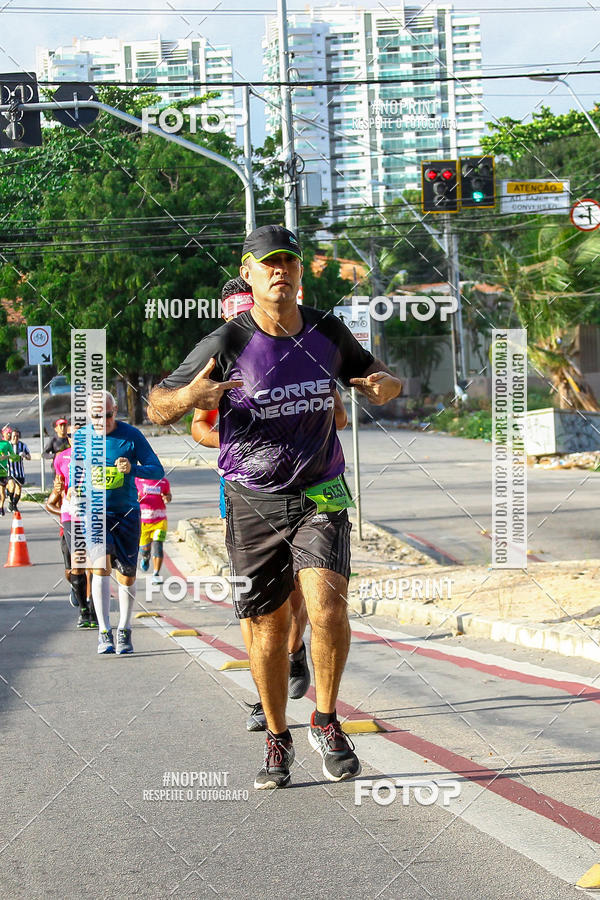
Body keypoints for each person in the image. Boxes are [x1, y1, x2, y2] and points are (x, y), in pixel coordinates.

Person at [148, 224, 402, 789]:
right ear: (249, 273)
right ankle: (277, 738)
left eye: (289, 261)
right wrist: (193, 395)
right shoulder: (227, 343)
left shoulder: (327, 332)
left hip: (321, 492)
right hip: (253, 500)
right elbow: (159, 406)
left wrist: (383, 387)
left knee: (328, 610)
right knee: (265, 623)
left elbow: (378, 380)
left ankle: (327, 720)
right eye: (269, 263)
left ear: (300, 271)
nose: (280, 271)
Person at [191, 276, 315, 732]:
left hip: (303, 487)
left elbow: (337, 415)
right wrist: (234, 442)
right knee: (253, 601)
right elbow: (199, 427)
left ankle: (295, 650)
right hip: (241, 491)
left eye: (248, 310)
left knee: (299, 587)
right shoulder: (217, 358)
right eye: (233, 313)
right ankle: (266, 699)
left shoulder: (299, 347)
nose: (241, 321)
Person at [72, 391, 164, 655]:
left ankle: (124, 630)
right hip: (96, 513)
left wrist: (132, 469)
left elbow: (157, 470)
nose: (103, 421)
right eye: (96, 416)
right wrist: (71, 488)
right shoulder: (81, 437)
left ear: (116, 412)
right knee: (100, 566)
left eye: (108, 415)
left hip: (126, 514)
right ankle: (104, 631)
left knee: (126, 576)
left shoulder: (131, 436)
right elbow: (75, 470)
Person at [45, 425, 97, 628]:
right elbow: (58, 487)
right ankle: (83, 609)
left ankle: (92, 608)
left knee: (94, 564)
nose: (75, 438)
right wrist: (62, 500)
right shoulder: (61, 458)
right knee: (76, 565)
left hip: (93, 515)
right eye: (71, 435)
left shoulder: (96, 457)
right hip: (71, 515)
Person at [136, 475, 172, 585]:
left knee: (158, 546)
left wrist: (167, 498)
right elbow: (131, 496)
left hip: (160, 520)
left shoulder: (163, 481)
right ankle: (145, 557)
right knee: (144, 549)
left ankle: (156, 573)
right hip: (144, 521)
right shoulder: (137, 480)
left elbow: (168, 495)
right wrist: (136, 498)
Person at [6, 429, 31, 512]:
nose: (15, 438)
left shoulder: (23, 446)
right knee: (12, 486)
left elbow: (29, 457)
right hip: (10, 471)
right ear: (10, 436)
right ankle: (10, 500)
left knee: (19, 489)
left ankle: (14, 504)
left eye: (17, 436)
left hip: (19, 471)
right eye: (14, 436)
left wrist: (25, 456)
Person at [0, 428, 13, 517]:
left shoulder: (6, 444)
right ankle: (1, 509)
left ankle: (10, 502)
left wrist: (9, 457)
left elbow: (12, 455)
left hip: (4, 471)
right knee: (1, 493)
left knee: (10, 487)